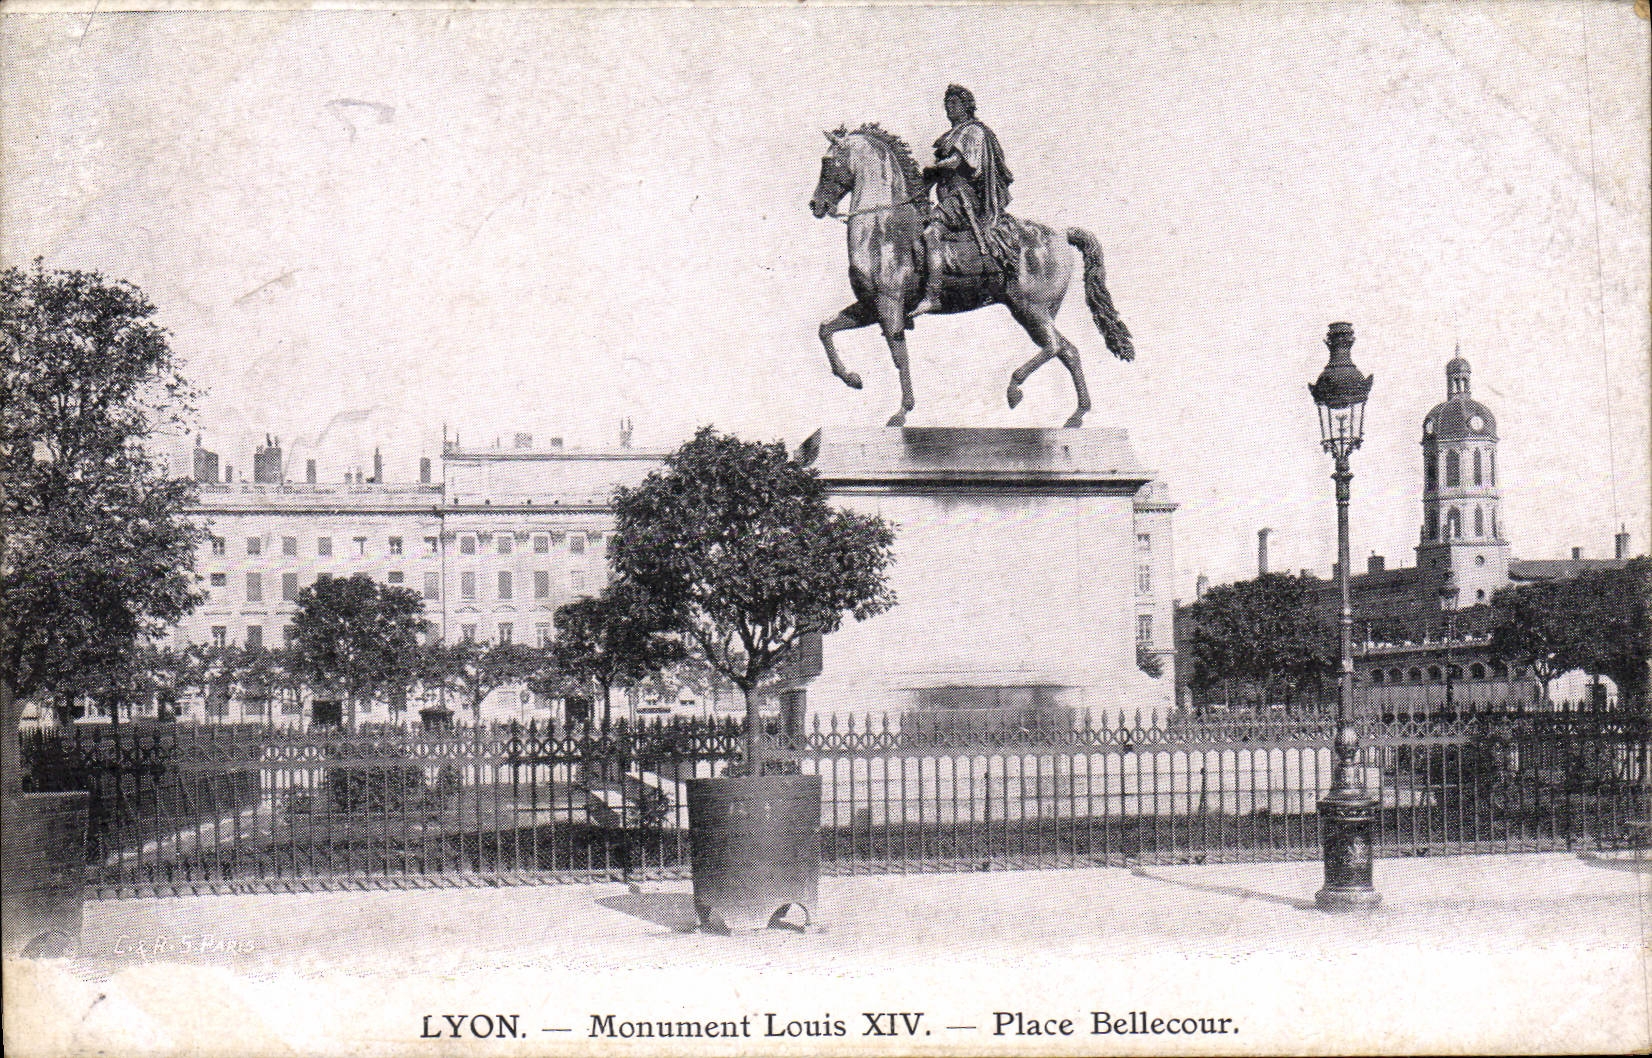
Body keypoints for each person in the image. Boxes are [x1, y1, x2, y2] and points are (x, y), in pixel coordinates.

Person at [912, 85, 1014, 317]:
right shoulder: (949, 136)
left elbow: (958, 161)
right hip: (947, 197)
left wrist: (934, 167)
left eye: (954, 103)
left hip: (963, 199)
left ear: (967, 106)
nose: (949, 108)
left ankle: (933, 296)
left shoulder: (973, 132)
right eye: (947, 104)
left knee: (931, 234)